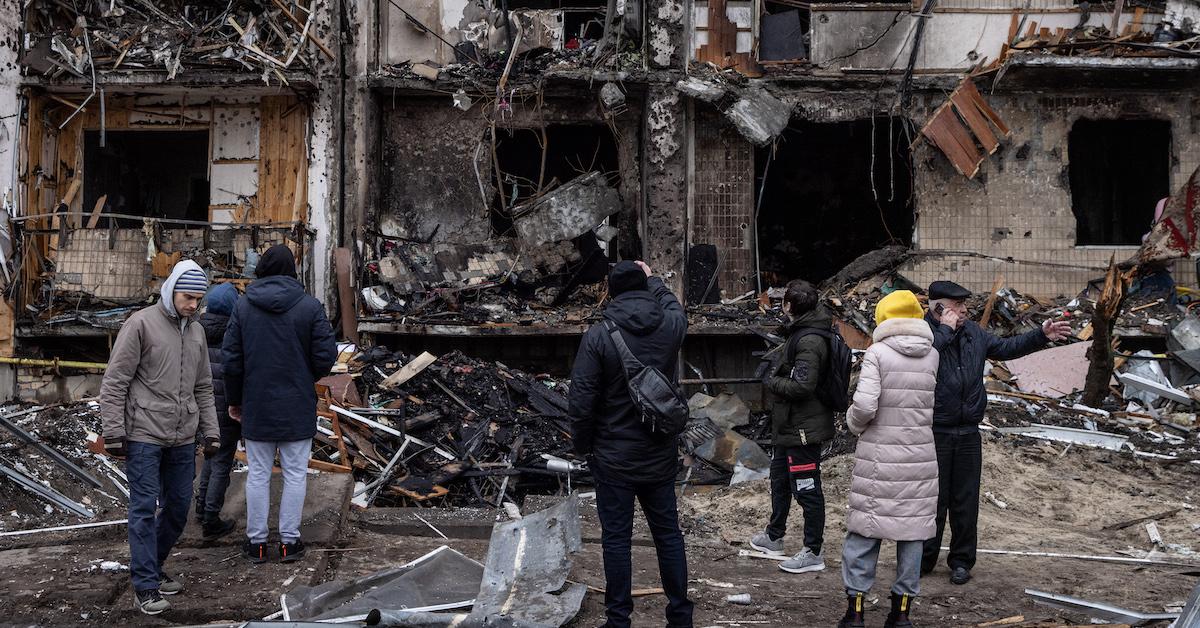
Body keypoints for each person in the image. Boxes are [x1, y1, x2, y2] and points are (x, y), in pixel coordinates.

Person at [568, 260, 693, 628]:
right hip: (659, 453)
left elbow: (582, 400)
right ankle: (680, 617)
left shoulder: (599, 335)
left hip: (612, 456)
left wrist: (584, 447)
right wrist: (654, 279)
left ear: (612, 290)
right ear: (645, 286)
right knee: (668, 535)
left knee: (617, 540)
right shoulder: (669, 327)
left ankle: (619, 619)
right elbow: (674, 307)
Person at [921, 280, 1071, 584]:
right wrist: (946, 331)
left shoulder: (974, 333)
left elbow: (1005, 348)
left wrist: (1041, 335)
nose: (964, 311)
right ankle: (923, 560)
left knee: (965, 501)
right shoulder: (923, 334)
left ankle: (961, 561)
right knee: (931, 501)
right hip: (934, 432)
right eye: (956, 307)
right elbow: (926, 359)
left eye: (964, 306)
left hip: (967, 433)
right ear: (937, 308)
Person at [99, 260, 220, 615]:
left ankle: (154, 565)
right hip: (143, 435)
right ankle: (145, 586)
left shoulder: (196, 331)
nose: (193, 305)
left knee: (180, 507)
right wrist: (114, 432)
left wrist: (210, 431)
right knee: (142, 508)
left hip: (182, 436)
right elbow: (115, 381)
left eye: (198, 299)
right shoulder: (141, 324)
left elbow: (203, 387)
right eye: (187, 297)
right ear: (170, 291)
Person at [223, 245, 337, 564]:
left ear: (261, 269)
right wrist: (304, 376)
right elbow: (326, 357)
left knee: (258, 474)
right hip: (297, 402)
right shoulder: (309, 306)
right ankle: (289, 543)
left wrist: (235, 400)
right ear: (292, 270)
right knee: (295, 474)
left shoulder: (244, 307)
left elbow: (232, 361)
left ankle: (257, 543)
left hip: (256, 403)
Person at [838, 290, 939, 628]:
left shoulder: (877, 353)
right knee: (912, 535)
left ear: (884, 319)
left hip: (881, 458)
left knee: (865, 532)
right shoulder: (932, 355)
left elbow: (866, 406)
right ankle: (902, 615)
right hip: (920, 458)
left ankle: (855, 613)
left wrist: (852, 423)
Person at [749, 279, 835, 574]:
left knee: (807, 489)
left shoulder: (810, 340)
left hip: (803, 428)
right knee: (780, 481)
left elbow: (803, 385)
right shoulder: (802, 331)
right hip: (790, 425)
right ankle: (774, 536)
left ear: (788, 306)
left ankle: (814, 550)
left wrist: (770, 380)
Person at [194, 282, 241, 541]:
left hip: (202, 409)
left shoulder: (196, 331)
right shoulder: (233, 334)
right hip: (226, 409)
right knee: (222, 462)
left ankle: (201, 509)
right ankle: (211, 518)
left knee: (210, 457)